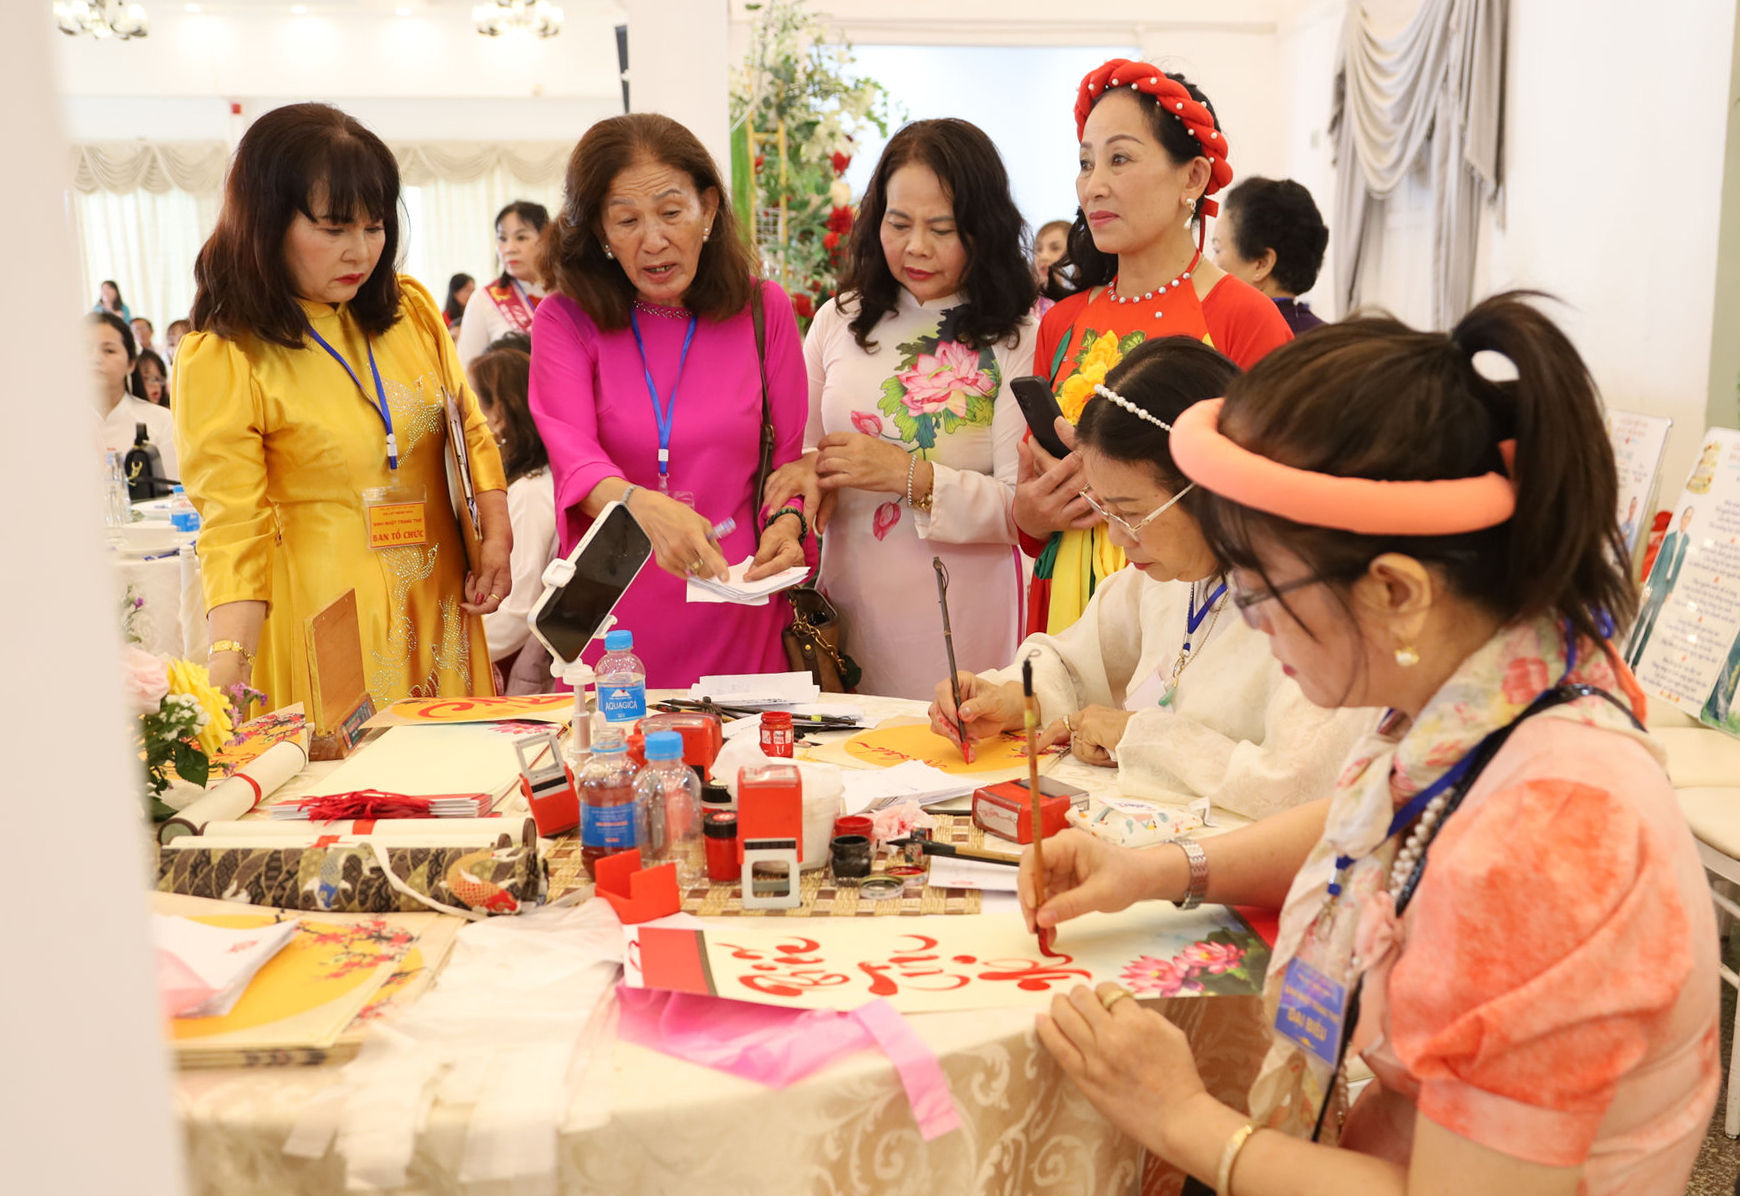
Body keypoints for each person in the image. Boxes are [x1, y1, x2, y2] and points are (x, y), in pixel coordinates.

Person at [1025, 294, 1717, 1193]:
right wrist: (1157, 871)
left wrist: (1182, 1117)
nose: (1249, 617)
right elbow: (1369, 820)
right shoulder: (1490, 688)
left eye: (1260, 586)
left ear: (1396, 592)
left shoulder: (1548, 837)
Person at [928, 336, 1367, 817]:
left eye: (1131, 513)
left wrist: (1140, 736)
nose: (1117, 537)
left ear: (1208, 489)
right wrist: (1015, 696)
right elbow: (1076, 662)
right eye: (1104, 508)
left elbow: (1300, 783)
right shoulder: (1174, 574)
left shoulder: (1312, 600)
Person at [174, 102, 511, 710]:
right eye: (334, 230)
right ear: (266, 223)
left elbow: (469, 429)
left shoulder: (409, 312)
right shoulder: (227, 354)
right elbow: (233, 526)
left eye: (374, 227)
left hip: (438, 604)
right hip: (326, 616)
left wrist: (496, 531)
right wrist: (231, 658)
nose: (361, 252)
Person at [530, 113, 808, 688]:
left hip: (738, 605)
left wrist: (788, 525)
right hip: (613, 619)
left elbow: (788, 465)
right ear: (600, 232)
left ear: (708, 208)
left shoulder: (764, 310)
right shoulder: (566, 319)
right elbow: (575, 459)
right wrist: (645, 507)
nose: (653, 240)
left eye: (671, 212)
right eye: (627, 220)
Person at [1016, 58, 1292, 638]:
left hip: (1194, 609)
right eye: (1086, 163)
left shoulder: (1243, 317)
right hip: (1068, 601)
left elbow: (1278, 503)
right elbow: (1031, 513)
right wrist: (1032, 512)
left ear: (1192, 178)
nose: (1094, 185)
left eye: (1119, 159)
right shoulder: (1061, 322)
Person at [766, 118, 1035, 699]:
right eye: (898, 223)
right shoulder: (839, 319)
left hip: (964, 609)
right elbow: (800, 454)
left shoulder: (1016, 336)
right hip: (850, 599)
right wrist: (796, 499)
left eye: (942, 229)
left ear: (984, 229)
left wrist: (906, 474)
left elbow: (1025, 511)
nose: (916, 247)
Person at [470, 343, 559, 695]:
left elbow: (519, 608)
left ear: (498, 416)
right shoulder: (526, 483)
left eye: (473, 403)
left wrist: (456, 657)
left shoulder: (530, 492)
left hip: (511, 668)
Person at [1211, 177, 1330, 335]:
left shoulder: (1242, 339)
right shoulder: (1329, 340)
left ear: (1262, 263)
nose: (1212, 263)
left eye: (1217, 250)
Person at [459, 201, 550, 367]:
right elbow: (466, 368)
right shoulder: (483, 300)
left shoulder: (568, 294)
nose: (509, 248)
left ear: (545, 239)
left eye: (521, 237)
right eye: (502, 238)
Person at [90, 312, 176, 475]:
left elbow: (174, 487)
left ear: (131, 363)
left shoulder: (162, 421)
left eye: (109, 350)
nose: (95, 358)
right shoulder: (57, 424)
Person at [1624, 504, 1693, 668]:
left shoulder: (1687, 542)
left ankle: (1635, 663)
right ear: (1681, 518)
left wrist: (1670, 591)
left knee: (1651, 628)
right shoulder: (1668, 538)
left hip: (1665, 588)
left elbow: (1678, 568)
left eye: (1689, 518)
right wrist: (1648, 587)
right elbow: (1655, 565)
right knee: (1641, 623)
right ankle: (1626, 657)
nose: (1686, 520)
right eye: (1685, 516)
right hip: (1653, 585)